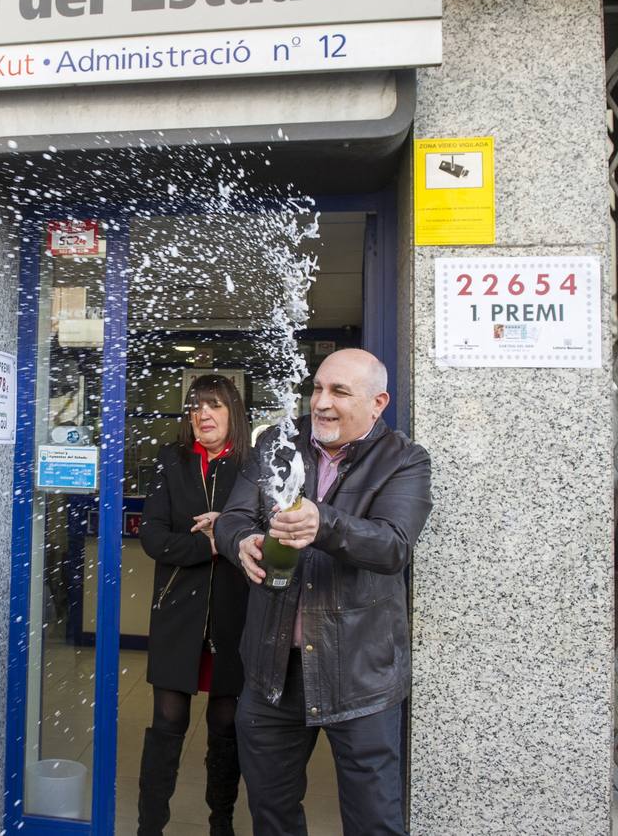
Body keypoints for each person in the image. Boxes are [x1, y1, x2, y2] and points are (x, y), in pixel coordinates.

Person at [215, 349, 432, 836]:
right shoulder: (278, 442)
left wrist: (324, 522)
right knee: (271, 817)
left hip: (359, 676)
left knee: (374, 822)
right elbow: (232, 517)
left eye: (339, 391)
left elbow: (393, 546)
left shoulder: (405, 459)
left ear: (378, 403)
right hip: (273, 674)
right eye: (317, 388)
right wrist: (239, 542)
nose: (322, 402)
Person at [137, 373, 252, 836]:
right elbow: (153, 537)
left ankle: (220, 822)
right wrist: (210, 547)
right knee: (167, 720)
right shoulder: (172, 461)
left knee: (226, 727)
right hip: (177, 613)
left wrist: (226, 528)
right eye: (195, 406)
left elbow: (266, 529)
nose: (202, 414)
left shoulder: (253, 466)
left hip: (235, 612)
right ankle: (150, 827)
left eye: (214, 406)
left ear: (233, 414)